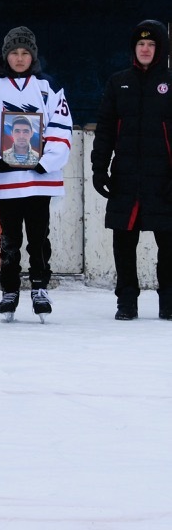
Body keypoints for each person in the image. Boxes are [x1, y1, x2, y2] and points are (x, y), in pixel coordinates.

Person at [0, 26, 71, 321]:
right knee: (10, 238)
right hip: (7, 180)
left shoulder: (47, 86)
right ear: (5, 56)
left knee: (39, 237)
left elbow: (60, 125)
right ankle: (10, 289)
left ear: (33, 56)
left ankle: (40, 287)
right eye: (14, 53)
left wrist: (47, 161)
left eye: (25, 53)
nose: (19, 58)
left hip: (40, 178)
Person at [91, 19, 172, 321]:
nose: (146, 49)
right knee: (124, 242)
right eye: (141, 44)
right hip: (126, 178)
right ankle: (126, 302)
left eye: (151, 44)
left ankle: (169, 302)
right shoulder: (118, 82)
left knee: (169, 243)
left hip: (164, 180)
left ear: (160, 49)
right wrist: (99, 169)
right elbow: (105, 130)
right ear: (133, 49)